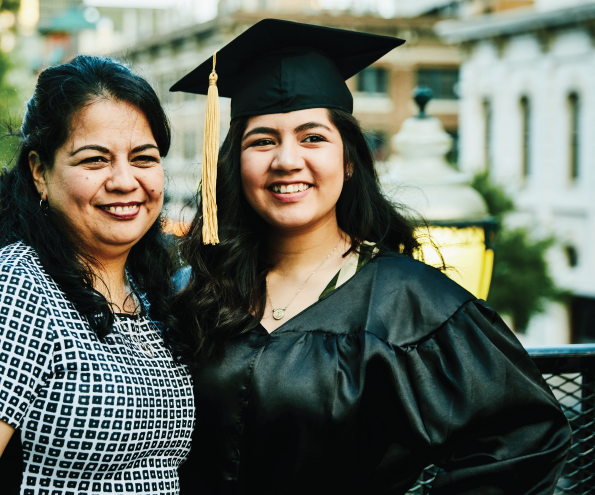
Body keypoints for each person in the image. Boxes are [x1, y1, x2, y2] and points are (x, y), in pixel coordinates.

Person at [166, 19, 570, 495]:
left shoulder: (413, 304)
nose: (287, 159)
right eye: (263, 140)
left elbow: (527, 437)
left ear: (350, 160)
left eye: (313, 137)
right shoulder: (193, 291)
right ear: (236, 162)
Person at [0, 55, 192, 495]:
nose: (125, 180)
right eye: (95, 160)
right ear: (40, 172)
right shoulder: (5, 292)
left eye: (144, 158)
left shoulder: (148, 294)